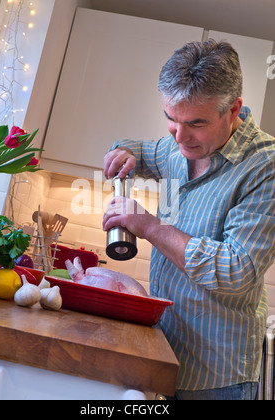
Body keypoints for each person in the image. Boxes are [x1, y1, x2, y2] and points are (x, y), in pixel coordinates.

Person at [102, 39, 275, 400]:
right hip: (163, 350)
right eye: (170, 119)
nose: (180, 136)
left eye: (195, 123)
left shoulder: (265, 167)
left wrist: (148, 226)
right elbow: (145, 149)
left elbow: (235, 271)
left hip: (217, 375)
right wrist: (125, 152)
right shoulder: (178, 145)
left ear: (233, 110)